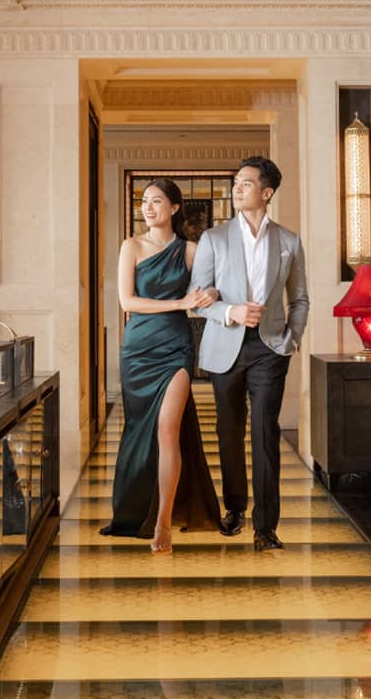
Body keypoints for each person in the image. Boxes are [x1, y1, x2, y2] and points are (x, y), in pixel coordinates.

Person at [189, 157, 309, 551]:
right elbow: (197, 301)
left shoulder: (289, 242)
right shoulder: (214, 238)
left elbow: (300, 298)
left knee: (265, 434)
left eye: (245, 183)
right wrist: (230, 312)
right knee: (229, 432)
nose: (237, 189)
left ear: (266, 192)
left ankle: (266, 526)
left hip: (270, 350)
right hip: (226, 346)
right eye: (235, 183)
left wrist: (292, 337)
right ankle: (235, 508)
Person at [100, 179, 223, 553]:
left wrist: (209, 294)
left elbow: (214, 287)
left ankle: (164, 523)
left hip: (176, 349)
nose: (148, 207)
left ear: (174, 207)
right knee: (141, 431)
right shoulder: (131, 247)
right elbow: (127, 302)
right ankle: (138, 507)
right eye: (144, 201)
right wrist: (178, 304)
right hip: (138, 350)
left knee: (168, 431)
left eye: (157, 201)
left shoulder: (191, 250)